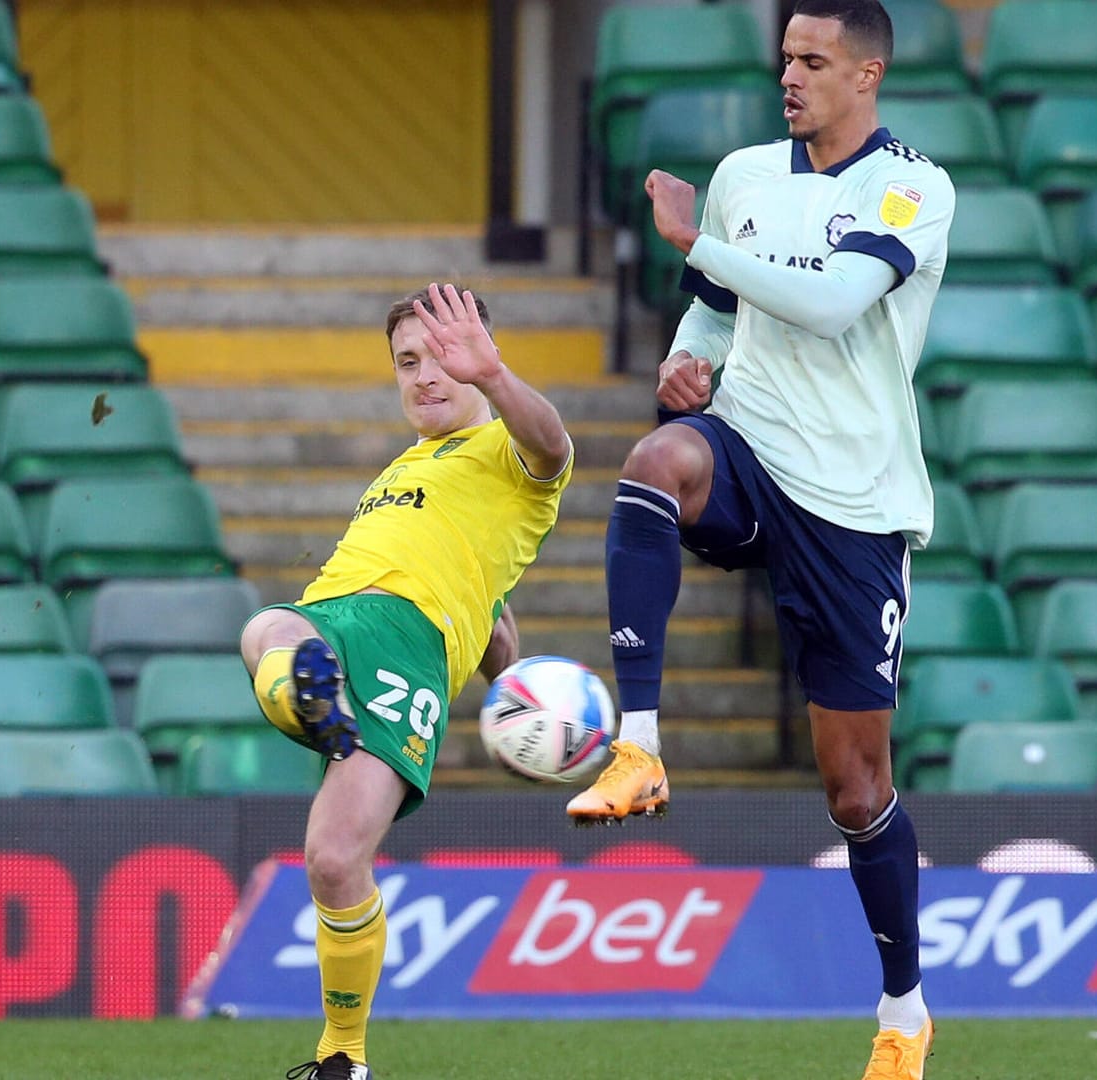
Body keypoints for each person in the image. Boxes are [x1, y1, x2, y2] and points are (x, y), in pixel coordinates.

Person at [568, 1, 952, 1075]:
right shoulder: (745, 173)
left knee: (855, 786)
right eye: (786, 55)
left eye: (815, 60)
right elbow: (712, 316)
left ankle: (903, 1013)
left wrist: (702, 248)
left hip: (855, 497)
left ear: (866, 75)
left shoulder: (912, 186)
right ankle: (639, 744)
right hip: (751, 441)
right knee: (653, 465)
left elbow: (833, 306)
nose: (792, 75)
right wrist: (682, 368)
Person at [241, 283, 572, 1080]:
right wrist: (512, 680)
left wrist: (492, 378)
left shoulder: (510, 452)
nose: (425, 375)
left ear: (484, 358)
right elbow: (490, 617)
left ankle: (342, 1058)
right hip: (333, 618)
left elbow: (555, 444)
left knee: (332, 855)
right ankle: (313, 694)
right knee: (266, 632)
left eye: (444, 357)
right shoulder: (404, 470)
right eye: (407, 362)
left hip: (407, 644)